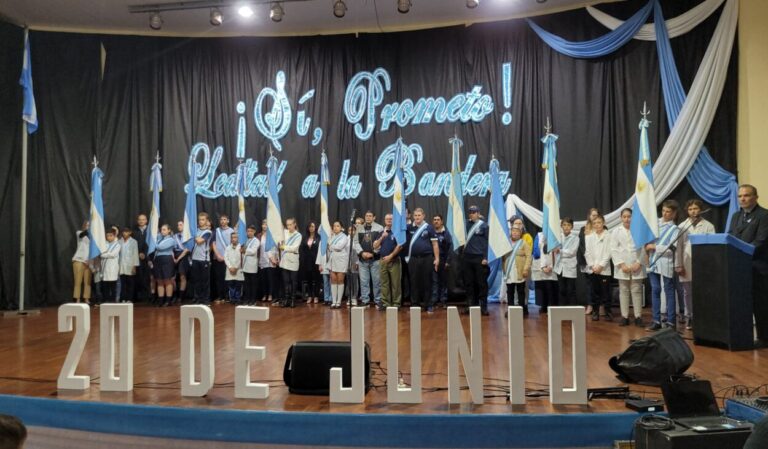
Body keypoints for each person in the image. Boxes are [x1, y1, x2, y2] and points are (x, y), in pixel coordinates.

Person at [728, 184, 768, 348]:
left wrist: (742, 253)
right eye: (740, 196)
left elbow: (761, 241)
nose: (742, 199)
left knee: (761, 305)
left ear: (755, 197)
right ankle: (742, 336)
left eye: (746, 195)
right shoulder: (736, 216)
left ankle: (765, 338)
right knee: (741, 304)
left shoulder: (764, 215)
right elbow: (730, 236)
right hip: (739, 268)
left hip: (758, 267)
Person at [677, 199, 715, 330]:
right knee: (687, 292)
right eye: (690, 209)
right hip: (686, 263)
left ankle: (703, 317)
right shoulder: (682, 226)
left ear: (701, 209)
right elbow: (679, 248)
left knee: (702, 291)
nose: (693, 211)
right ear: (687, 211)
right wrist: (678, 264)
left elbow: (712, 247)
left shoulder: (708, 226)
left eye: (696, 208)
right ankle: (690, 317)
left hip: (703, 264)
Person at [646, 200, 683, 331]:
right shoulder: (654, 224)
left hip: (666, 261)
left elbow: (671, 248)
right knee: (655, 290)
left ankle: (671, 321)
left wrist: (654, 246)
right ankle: (656, 320)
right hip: (653, 261)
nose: (665, 214)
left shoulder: (675, 229)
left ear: (674, 214)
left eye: (668, 211)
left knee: (669, 291)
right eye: (663, 210)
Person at [611, 208, 646, 327]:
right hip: (623, 266)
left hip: (637, 265)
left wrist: (639, 262)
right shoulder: (616, 231)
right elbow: (613, 249)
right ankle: (624, 316)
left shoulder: (639, 231)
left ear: (633, 217)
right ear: (621, 218)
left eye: (629, 216)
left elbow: (643, 248)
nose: (627, 219)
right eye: (624, 216)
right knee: (624, 291)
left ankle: (638, 316)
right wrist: (621, 264)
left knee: (636, 290)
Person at [405, 208, 439, 312]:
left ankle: (428, 304)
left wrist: (437, 259)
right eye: (415, 215)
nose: (417, 217)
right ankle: (415, 304)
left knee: (427, 281)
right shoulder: (409, 227)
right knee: (414, 281)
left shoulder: (429, 228)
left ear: (423, 216)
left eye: (419, 215)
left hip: (427, 258)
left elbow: (435, 244)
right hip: (413, 259)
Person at [583, 214, 612, 321]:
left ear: (603, 223)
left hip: (604, 269)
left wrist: (601, 265)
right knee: (595, 291)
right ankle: (595, 312)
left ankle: (608, 311)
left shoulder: (609, 235)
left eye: (599, 222)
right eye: (594, 223)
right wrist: (593, 266)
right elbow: (587, 253)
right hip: (593, 269)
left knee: (606, 292)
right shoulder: (589, 237)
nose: (597, 225)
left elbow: (609, 252)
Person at [463, 205, 490, 315]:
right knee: (469, 283)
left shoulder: (484, 226)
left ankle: (483, 307)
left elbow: (488, 243)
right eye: (470, 212)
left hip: (479, 258)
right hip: (467, 257)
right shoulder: (466, 225)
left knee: (481, 283)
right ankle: (471, 305)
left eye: (474, 212)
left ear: (478, 213)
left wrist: (485, 257)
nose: (472, 214)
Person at [354, 211, 384, 308]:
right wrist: (362, 253)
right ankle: (365, 300)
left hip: (375, 259)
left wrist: (373, 253)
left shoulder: (379, 228)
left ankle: (378, 300)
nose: (368, 217)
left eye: (370, 216)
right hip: (363, 260)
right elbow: (355, 242)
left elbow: (381, 242)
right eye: (366, 216)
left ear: (374, 217)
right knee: (363, 281)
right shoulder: (359, 228)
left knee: (377, 281)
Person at [503, 226, 532, 317]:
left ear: (520, 233)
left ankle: (521, 310)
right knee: (510, 292)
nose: (515, 233)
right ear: (511, 232)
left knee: (520, 292)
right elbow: (503, 258)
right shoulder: (506, 243)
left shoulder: (524, 243)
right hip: (509, 272)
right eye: (513, 231)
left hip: (520, 271)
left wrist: (526, 269)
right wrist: (504, 269)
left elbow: (528, 257)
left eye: (517, 231)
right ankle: (510, 310)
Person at [375, 213, 402, 310]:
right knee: (384, 283)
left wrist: (390, 256)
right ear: (384, 220)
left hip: (394, 260)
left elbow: (400, 246)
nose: (389, 220)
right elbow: (375, 246)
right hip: (383, 261)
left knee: (396, 284)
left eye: (391, 219)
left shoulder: (398, 231)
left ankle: (396, 303)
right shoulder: (381, 232)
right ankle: (385, 303)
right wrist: (382, 237)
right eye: (387, 219)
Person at [578, 208, 601, 315]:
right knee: (589, 284)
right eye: (593, 215)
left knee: (599, 285)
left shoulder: (602, 228)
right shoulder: (583, 229)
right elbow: (582, 246)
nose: (594, 217)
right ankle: (590, 305)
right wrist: (589, 260)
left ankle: (600, 305)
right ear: (589, 216)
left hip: (599, 262)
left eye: (596, 215)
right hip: (587, 261)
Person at [533, 232, 559, 314]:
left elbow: (556, 254)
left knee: (551, 288)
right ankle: (544, 306)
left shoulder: (555, 236)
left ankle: (551, 308)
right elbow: (539, 253)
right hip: (543, 267)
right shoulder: (540, 236)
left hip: (553, 268)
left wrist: (551, 266)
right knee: (543, 288)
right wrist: (543, 267)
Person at [554, 217, 578, 306]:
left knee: (571, 290)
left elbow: (572, 252)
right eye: (564, 225)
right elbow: (553, 249)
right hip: (559, 267)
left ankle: (573, 311)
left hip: (570, 267)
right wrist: (558, 250)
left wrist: (560, 251)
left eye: (568, 225)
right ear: (561, 226)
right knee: (561, 290)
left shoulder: (575, 238)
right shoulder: (558, 237)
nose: (566, 227)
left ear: (572, 227)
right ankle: (562, 309)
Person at [211, 214, 235, 303]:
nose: (223, 221)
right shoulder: (216, 231)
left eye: (224, 219)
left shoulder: (231, 231)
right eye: (221, 219)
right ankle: (220, 296)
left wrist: (225, 257)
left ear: (228, 221)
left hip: (227, 259)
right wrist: (217, 255)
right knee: (218, 278)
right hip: (217, 258)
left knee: (227, 278)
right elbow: (213, 243)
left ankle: (227, 296)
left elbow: (233, 245)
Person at [279, 217, 302, 307]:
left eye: (290, 224)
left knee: (293, 281)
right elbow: (280, 243)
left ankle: (293, 300)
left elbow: (294, 248)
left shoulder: (298, 235)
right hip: (284, 260)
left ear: (294, 224)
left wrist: (284, 247)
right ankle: (286, 299)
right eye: (287, 225)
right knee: (286, 281)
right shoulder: (284, 233)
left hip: (293, 260)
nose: (288, 226)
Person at [191, 212, 213, 305]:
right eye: (199, 219)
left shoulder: (208, 232)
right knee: (196, 280)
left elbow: (200, 241)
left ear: (207, 221)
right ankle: (197, 298)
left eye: (203, 219)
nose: (201, 221)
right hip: (195, 259)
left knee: (205, 281)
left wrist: (193, 235)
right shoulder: (195, 230)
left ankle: (206, 299)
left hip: (204, 259)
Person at [431, 214, 453, 308]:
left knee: (443, 281)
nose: (436, 221)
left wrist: (448, 261)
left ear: (442, 221)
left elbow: (450, 248)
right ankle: (434, 300)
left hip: (443, 260)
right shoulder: (430, 232)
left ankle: (443, 300)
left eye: (438, 219)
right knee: (434, 281)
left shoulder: (446, 233)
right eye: (434, 219)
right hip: (432, 261)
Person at [328, 220, 350, 309]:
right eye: (334, 226)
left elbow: (339, 247)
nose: (335, 227)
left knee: (340, 280)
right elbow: (329, 245)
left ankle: (338, 302)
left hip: (341, 260)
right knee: (333, 280)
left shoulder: (344, 237)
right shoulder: (331, 237)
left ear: (341, 228)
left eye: (337, 226)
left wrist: (331, 246)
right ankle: (333, 301)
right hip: (332, 260)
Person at [153, 224, 177, 307]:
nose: (162, 231)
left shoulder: (171, 239)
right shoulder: (159, 238)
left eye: (164, 229)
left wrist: (154, 243)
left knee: (167, 280)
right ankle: (160, 300)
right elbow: (154, 236)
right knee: (159, 281)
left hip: (167, 260)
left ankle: (168, 300)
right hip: (158, 260)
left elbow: (160, 247)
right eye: (161, 230)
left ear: (169, 230)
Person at [300, 222, 321, 304]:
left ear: (315, 228)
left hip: (316, 261)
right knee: (308, 279)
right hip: (307, 261)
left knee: (317, 279)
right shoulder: (305, 237)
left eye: (313, 226)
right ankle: (309, 295)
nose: (311, 228)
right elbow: (302, 249)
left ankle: (316, 296)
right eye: (310, 226)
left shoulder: (319, 237)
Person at [72, 221, 92, 304]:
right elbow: (82, 234)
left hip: (89, 261)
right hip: (79, 260)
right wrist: (90, 229)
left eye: (89, 225)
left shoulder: (94, 238)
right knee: (78, 281)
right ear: (84, 226)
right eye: (87, 225)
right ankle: (77, 299)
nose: (88, 226)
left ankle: (86, 298)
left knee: (87, 282)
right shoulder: (79, 233)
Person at [117, 227, 139, 303]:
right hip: (121, 265)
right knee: (122, 283)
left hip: (130, 265)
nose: (124, 233)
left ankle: (130, 299)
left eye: (126, 232)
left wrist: (134, 266)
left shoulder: (134, 242)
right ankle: (123, 298)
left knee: (130, 283)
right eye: (123, 232)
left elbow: (135, 254)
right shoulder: (119, 241)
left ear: (130, 232)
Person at [133, 213, 151, 302]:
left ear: (146, 221)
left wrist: (145, 253)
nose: (141, 221)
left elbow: (151, 244)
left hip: (148, 258)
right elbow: (133, 245)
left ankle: (148, 296)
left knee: (147, 277)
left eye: (143, 219)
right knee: (138, 277)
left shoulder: (150, 230)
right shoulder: (134, 231)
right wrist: (139, 253)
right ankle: (138, 297)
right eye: (140, 219)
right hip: (137, 257)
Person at [100, 227, 121, 303]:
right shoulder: (103, 244)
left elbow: (113, 254)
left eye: (111, 235)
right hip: (104, 268)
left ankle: (113, 300)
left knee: (113, 286)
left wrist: (104, 254)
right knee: (105, 286)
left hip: (112, 268)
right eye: (107, 235)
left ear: (114, 236)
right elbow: (101, 253)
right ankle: (106, 300)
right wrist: (104, 254)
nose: (109, 237)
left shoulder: (117, 245)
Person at [173, 221, 191, 304]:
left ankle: (181, 297)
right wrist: (173, 258)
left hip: (183, 257)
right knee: (173, 278)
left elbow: (187, 249)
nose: (178, 226)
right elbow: (171, 248)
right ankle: (174, 295)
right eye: (177, 225)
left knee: (182, 277)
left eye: (181, 225)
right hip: (175, 256)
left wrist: (178, 259)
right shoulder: (175, 236)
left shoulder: (188, 236)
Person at [242, 224, 260, 306]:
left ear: (254, 232)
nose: (249, 233)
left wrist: (244, 250)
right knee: (247, 284)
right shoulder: (246, 240)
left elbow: (253, 251)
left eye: (251, 231)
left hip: (252, 265)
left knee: (253, 284)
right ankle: (247, 299)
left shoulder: (256, 240)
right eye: (248, 231)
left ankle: (253, 300)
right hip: (245, 265)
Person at [257, 220, 274, 303]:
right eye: (263, 224)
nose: (264, 226)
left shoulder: (271, 236)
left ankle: (270, 294)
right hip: (261, 260)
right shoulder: (259, 236)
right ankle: (264, 294)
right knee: (263, 279)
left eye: (266, 224)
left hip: (270, 260)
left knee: (270, 279)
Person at [346, 218, 363, 306]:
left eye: (352, 230)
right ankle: (349, 297)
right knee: (349, 280)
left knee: (355, 280)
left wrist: (356, 262)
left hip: (355, 261)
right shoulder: (346, 239)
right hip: (347, 262)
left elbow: (357, 252)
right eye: (349, 230)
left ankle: (354, 297)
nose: (351, 231)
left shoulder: (357, 239)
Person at [224, 232, 244, 304]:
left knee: (238, 284)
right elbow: (226, 258)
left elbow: (241, 258)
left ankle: (238, 298)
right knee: (231, 284)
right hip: (230, 269)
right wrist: (230, 267)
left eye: (235, 237)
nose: (233, 239)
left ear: (238, 238)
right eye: (232, 237)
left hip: (238, 269)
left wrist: (235, 267)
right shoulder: (228, 247)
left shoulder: (241, 248)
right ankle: (232, 299)